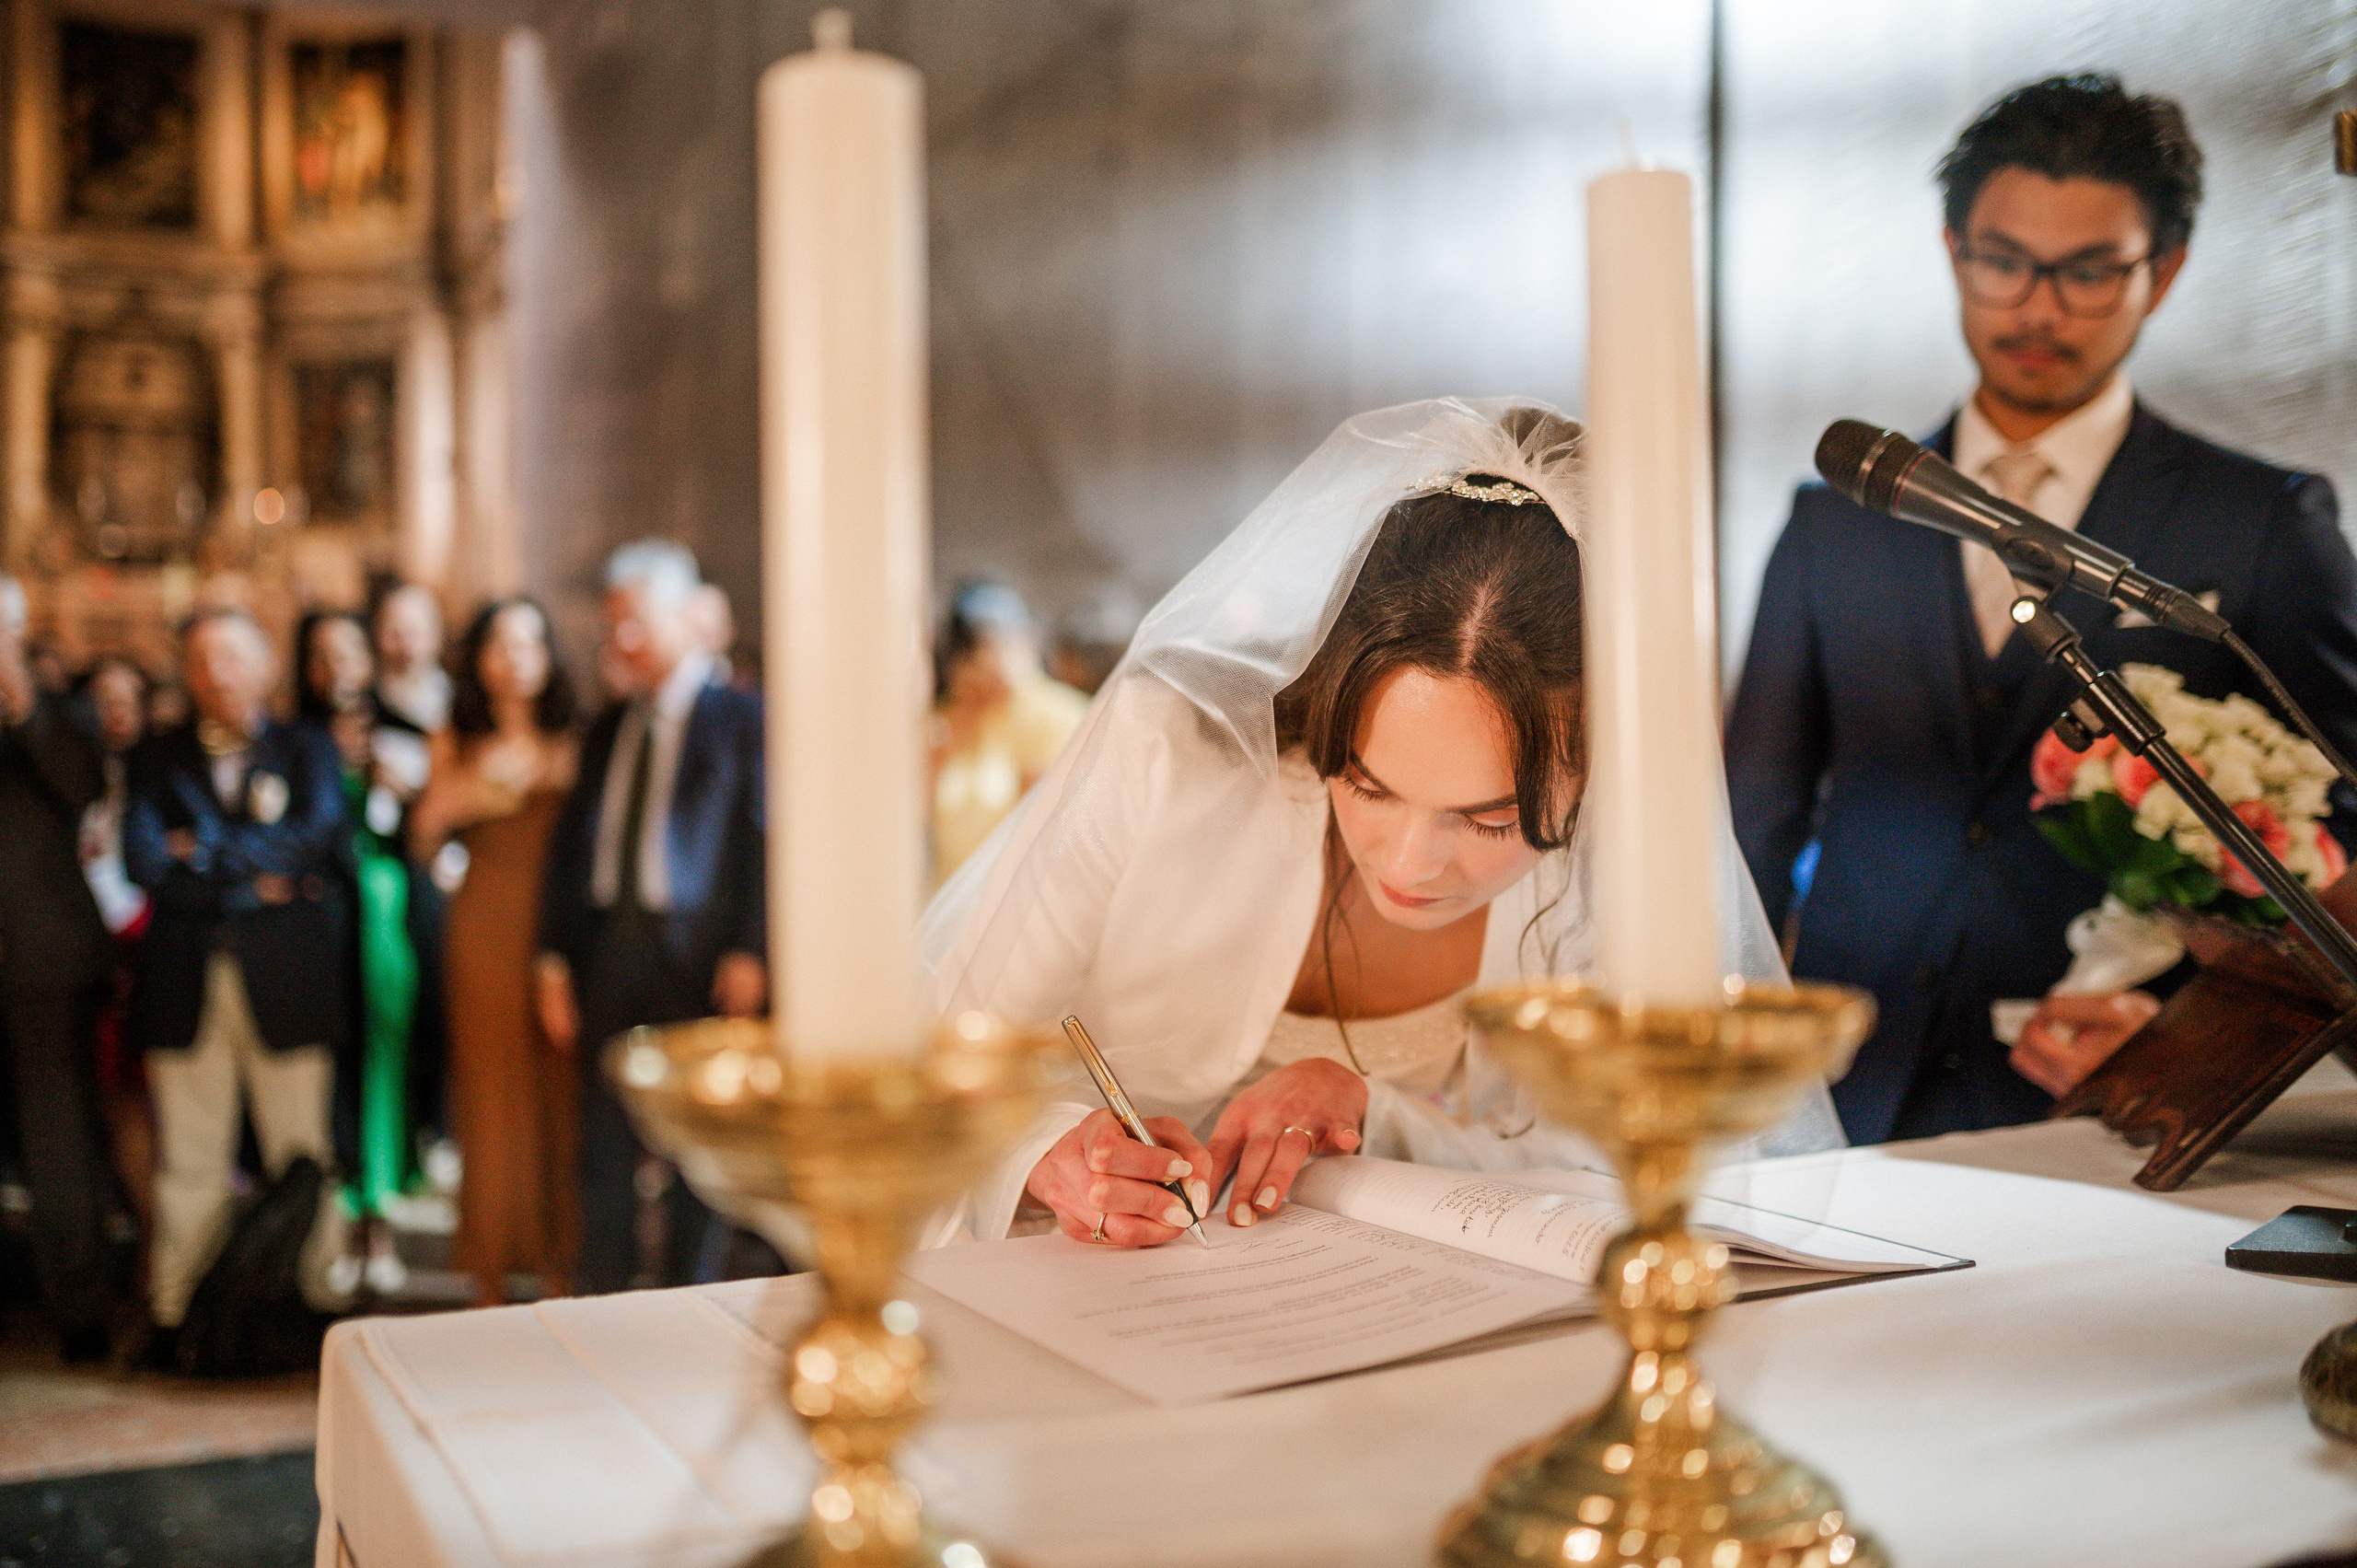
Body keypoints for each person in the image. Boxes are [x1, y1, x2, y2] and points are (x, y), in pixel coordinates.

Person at [919, 401, 1837, 1250]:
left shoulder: (1622, 856)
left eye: (1489, 820)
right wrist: (1043, 1154)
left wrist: (1380, 1113)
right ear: (1327, 700)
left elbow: (1667, 1170)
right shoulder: (1167, 757)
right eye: (1366, 781)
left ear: (1596, 765)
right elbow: (923, 1056)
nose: (1409, 861)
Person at [1726, 75, 2357, 1144]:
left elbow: (2338, 830)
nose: (2036, 306)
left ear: (2161, 274)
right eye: (2002, 261)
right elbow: (1749, 823)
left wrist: (2194, 1035)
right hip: (1843, 1105)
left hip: (2120, 1104)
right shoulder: (1834, 523)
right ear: (1951, 250)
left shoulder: (2262, 519)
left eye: (2086, 272)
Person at [536, 541, 768, 1293]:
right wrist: (553, 955)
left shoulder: (740, 717)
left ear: (683, 618)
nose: (621, 643)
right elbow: (573, 848)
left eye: (634, 624)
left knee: (696, 1154)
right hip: (610, 948)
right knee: (601, 1148)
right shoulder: (610, 726)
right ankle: (598, 1303)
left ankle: (686, 1300)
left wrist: (751, 949)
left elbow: (761, 838)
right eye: (612, 628)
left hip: (695, 954)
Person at [124, 609, 350, 1355]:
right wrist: (257, 880)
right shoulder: (157, 756)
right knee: (189, 1156)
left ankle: (315, 1293)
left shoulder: (306, 747)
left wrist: (206, 854)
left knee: (302, 1145)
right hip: (185, 979)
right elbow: (146, 862)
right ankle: (177, 1308)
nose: (214, 674)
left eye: (230, 657)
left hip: (285, 978)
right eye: (199, 661)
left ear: (264, 666)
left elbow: (316, 837)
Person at [412, 598, 580, 1305]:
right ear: (478, 659)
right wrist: (471, 796)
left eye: (528, 642)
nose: (513, 658)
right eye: (498, 644)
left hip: (556, 924)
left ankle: (558, 1263)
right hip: (482, 922)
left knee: (556, 1089)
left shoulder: (576, 736)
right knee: (487, 1092)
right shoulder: (454, 739)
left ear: (548, 654)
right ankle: (486, 1269)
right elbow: (424, 839)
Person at [0, 575, 117, 1361]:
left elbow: (82, 793)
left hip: (41, 957)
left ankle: (79, 1307)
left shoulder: (63, 714)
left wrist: (20, 705)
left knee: (58, 1137)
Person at [295, 610, 414, 1295]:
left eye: (349, 651)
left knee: (382, 1062)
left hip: (383, 914)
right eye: (320, 655)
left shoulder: (402, 732)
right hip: (318, 920)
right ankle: (335, 1221)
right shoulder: (292, 741)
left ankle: (382, 1219)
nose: (336, 667)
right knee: (326, 1067)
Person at [367, 583, 452, 1188]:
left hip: (445, 877)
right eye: (392, 626)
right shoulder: (360, 708)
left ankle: (439, 1133)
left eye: (414, 626)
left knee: (440, 1006)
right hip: (380, 877)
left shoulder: (458, 705)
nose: (403, 639)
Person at [929, 580, 1090, 886]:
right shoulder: (947, 719)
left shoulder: (1062, 717)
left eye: (994, 647)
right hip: (947, 895)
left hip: (1017, 896)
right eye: (969, 658)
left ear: (1028, 642)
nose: (982, 667)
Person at [78, 656, 157, 1237]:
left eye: (131, 701)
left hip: (147, 947)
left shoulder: (158, 777)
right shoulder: (65, 775)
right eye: (104, 699)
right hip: (81, 950)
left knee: (140, 1100)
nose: (118, 713)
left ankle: (155, 1238)